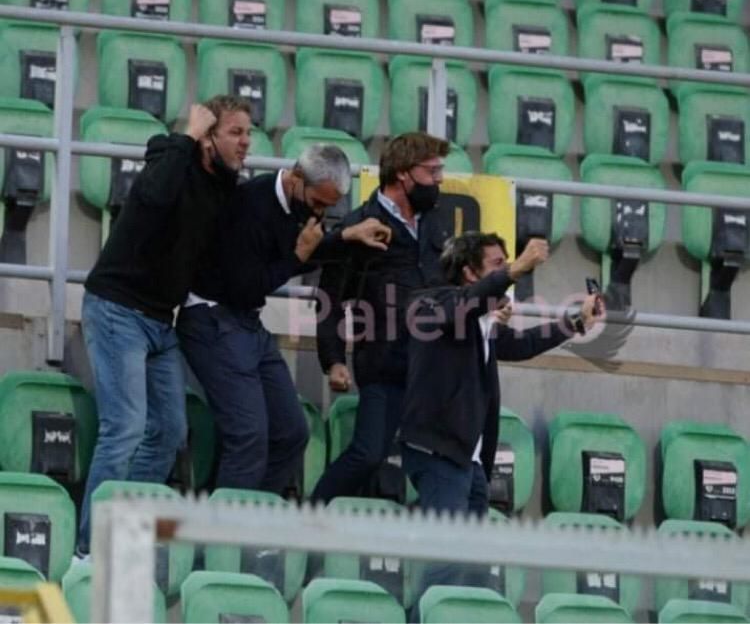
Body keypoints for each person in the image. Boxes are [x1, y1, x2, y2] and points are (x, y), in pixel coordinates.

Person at [78, 96, 252, 554]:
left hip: (160, 321)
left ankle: (123, 531)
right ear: (208, 137)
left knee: (171, 431)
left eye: (248, 134)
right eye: (235, 133)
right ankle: (88, 549)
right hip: (117, 310)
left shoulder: (225, 188)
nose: (246, 143)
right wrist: (185, 137)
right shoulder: (167, 157)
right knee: (125, 428)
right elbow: (153, 199)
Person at [177, 145, 392, 493]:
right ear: (295, 180)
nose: (321, 212)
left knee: (291, 432)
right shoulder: (248, 206)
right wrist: (298, 256)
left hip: (246, 322)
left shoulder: (298, 204)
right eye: (319, 203)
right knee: (248, 436)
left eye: (328, 206)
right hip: (212, 317)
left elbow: (306, 250)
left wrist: (346, 238)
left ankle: (255, 523)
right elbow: (249, 284)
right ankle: (222, 540)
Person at [400, 231, 600, 600]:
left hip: (469, 460)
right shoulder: (430, 302)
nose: (507, 271)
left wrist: (576, 322)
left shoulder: (482, 321)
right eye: (498, 265)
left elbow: (521, 344)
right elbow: (462, 305)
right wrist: (518, 269)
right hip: (439, 452)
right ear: (468, 273)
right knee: (447, 559)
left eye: (508, 263)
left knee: (471, 563)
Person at [312, 131, 451, 504]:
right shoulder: (360, 223)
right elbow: (330, 296)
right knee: (369, 454)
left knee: (447, 463)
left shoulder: (434, 222)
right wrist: (334, 359)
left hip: (433, 365)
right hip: (385, 361)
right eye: (432, 171)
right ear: (404, 174)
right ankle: (307, 519)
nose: (439, 180)